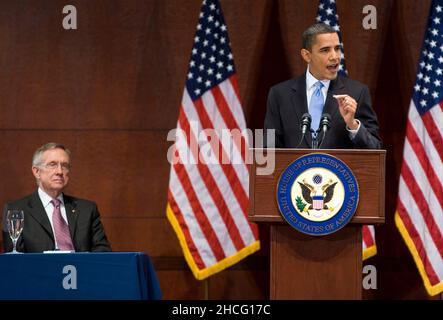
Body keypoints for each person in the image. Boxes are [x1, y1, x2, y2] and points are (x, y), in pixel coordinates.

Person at [264, 23, 381, 149]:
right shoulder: (279, 94)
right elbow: (268, 147)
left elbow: (375, 148)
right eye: (325, 50)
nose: (335, 57)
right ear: (306, 55)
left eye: (337, 48)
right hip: (295, 169)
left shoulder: (357, 92)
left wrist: (353, 125)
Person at [2, 142, 111, 253]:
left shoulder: (87, 209)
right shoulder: (17, 210)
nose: (59, 171)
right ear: (36, 172)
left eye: (64, 166)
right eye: (52, 164)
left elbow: (103, 252)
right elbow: (14, 258)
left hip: (81, 269)